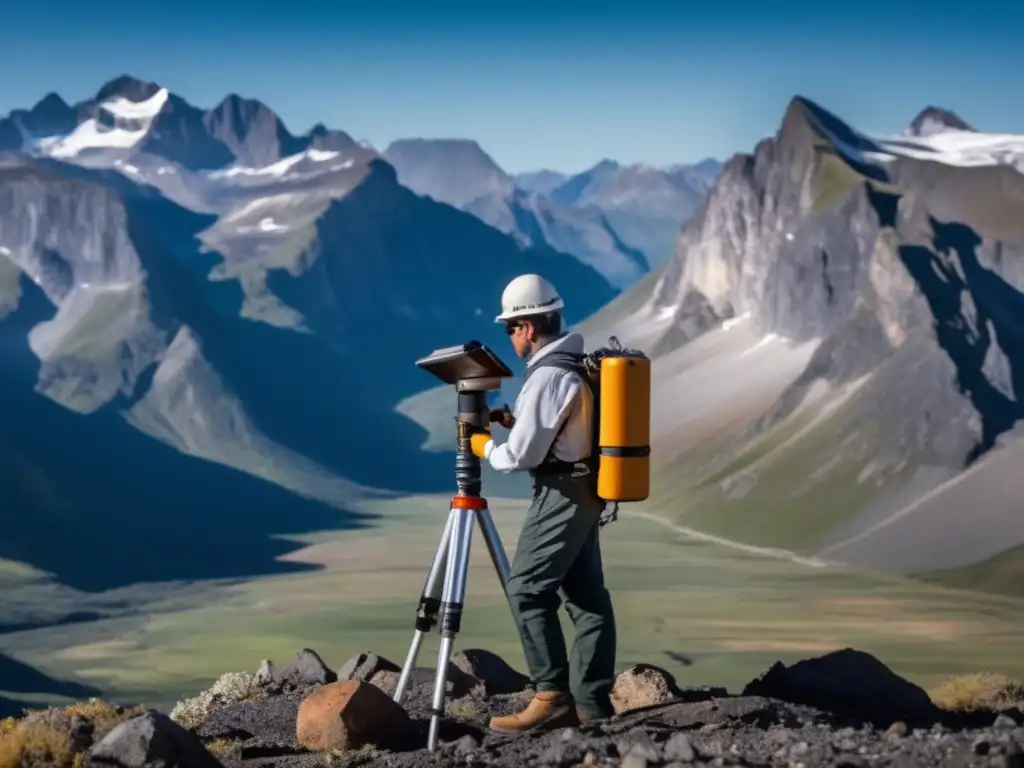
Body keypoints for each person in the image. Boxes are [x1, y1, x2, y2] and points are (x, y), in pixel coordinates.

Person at [467, 273, 618, 733]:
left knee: (527, 589)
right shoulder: (572, 366)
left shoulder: (550, 374)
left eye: (510, 328)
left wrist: (482, 445)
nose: (510, 337)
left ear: (527, 328)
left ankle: (551, 696)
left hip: (561, 493)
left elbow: (522, 456)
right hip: (585, 487)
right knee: (587, 598)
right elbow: (558, 434)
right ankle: (592, 704)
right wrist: (516, 422)